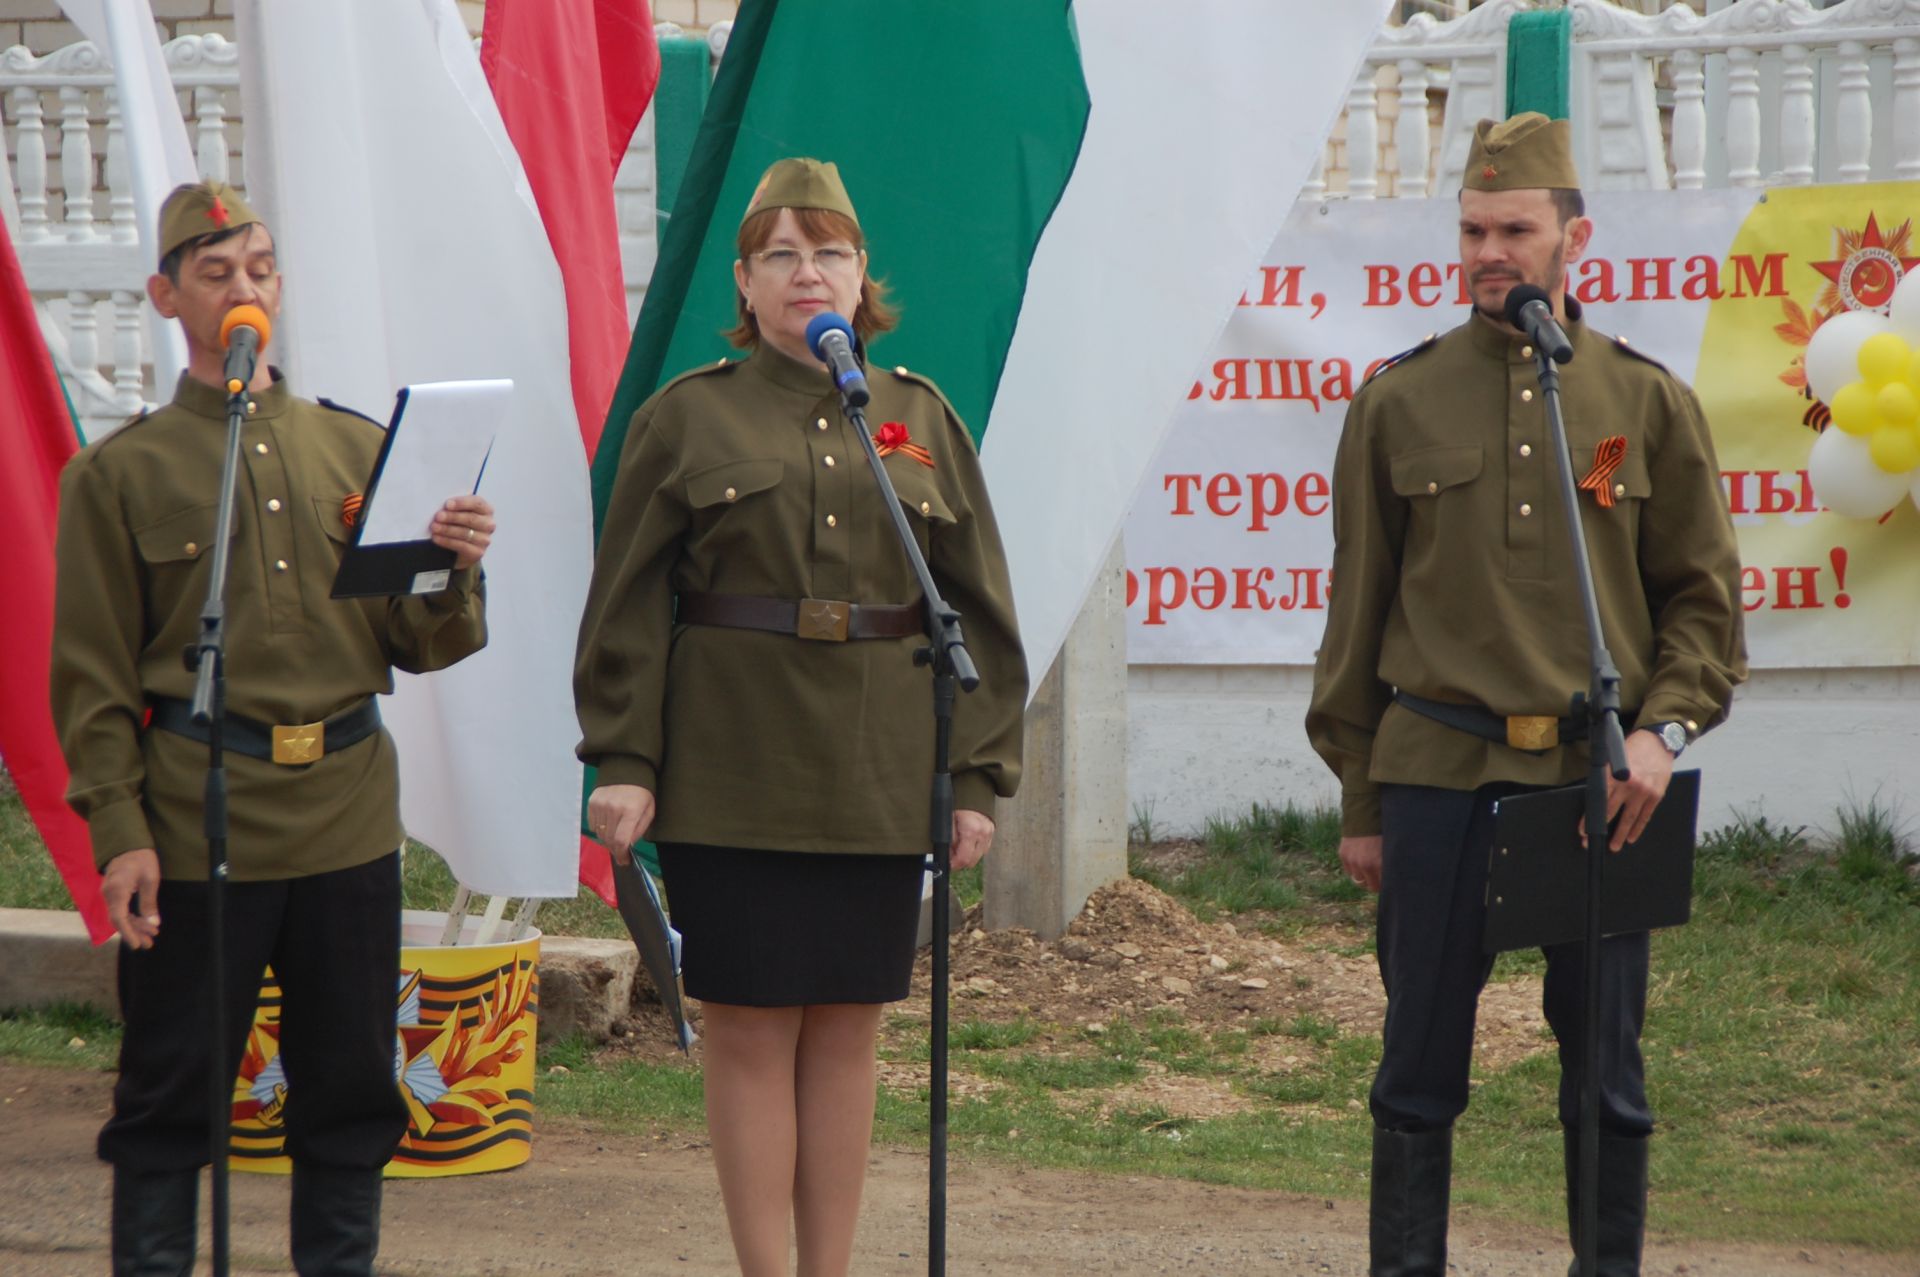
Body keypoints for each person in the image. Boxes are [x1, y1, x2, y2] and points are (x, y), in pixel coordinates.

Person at [1305, 114, 1747, 1277]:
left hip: (1601, 783)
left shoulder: (1639, 401)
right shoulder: (1397, 401)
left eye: (1514, 229)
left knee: (1606, 1069)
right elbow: (1358, 616)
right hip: (1438, 771)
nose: (1489, 251)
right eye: (1471, 231)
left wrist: (1660, 734)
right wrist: (1362, 798)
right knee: (1415, 1067)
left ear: (1572, 237)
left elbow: (1702, 604)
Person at [575, 157, 1026, 1277]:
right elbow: (626, 599)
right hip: (733, 762)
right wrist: (625, 757)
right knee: (748, 1022)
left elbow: (980, 608)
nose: (806, 272)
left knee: (848, 1027)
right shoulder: (689, 417)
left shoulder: (917, 415)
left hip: (877, 764)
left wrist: (974, 777)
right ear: (745, 279)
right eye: (780, 253)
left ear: (863, 272)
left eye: (827, 250)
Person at [51, 181, 494, 1277]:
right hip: (201, 815)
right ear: (167, 294)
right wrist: (121, 831)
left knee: (347, 1087)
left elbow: (421, 640)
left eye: (257, 269)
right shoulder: (121, 474)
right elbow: (95, 680)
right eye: (214, 271)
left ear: (280, 287)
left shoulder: (357, 448)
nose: (242, 287)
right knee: (169, 1088)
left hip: (344, 815)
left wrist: (453, 565)